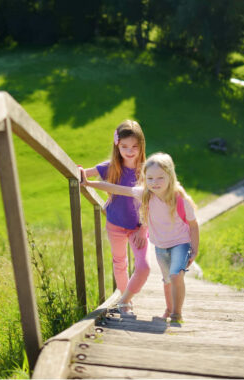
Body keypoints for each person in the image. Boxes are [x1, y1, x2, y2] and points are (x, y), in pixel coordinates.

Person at [80, 152, 199, 323]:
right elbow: (117, 189)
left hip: (181, 243)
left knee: (175, 276)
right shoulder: (145, 194)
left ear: (170, 177)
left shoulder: (180, 199)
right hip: (161, 246)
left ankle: (176, 314)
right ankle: (169, 308)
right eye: (150, 178)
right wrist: (89, 183)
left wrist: (194, 249)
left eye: (160, 178)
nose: (154, 182)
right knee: (167, 280)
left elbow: (193, 225)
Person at [81, 120, 149, 316]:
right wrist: (79, 172)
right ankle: (124, 302)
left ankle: (127, 296)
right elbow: (84, 173)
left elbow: (150, 201)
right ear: (117, 145)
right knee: (120, 262)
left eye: (135, 146)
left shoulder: (147, 170)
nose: (130, 151)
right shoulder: (110, 167)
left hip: (138, 227)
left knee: (144, 266)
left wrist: (143, 229)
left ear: (141, 146)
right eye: (124, 146)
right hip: (115, 224)